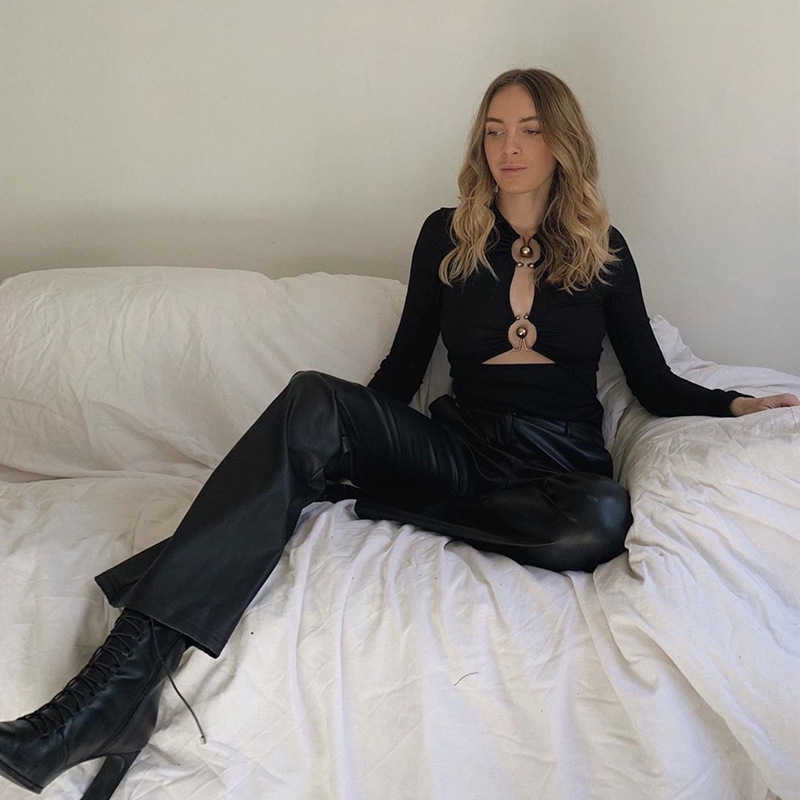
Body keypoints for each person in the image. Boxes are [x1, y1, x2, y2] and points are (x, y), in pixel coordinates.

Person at [0, 67, 796, 800]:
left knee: (600, 520)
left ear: (562, 142)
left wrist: (735, 406)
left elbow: (653, 381)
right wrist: (355, 436)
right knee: (313, 400)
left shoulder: (604, 250)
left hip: (554, 471)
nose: (509, 147)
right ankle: (105, 700)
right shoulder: (446, 235)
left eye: (528, 130)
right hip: (458, 450)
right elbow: (404, 366)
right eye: (494, 130)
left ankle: (341, 498)